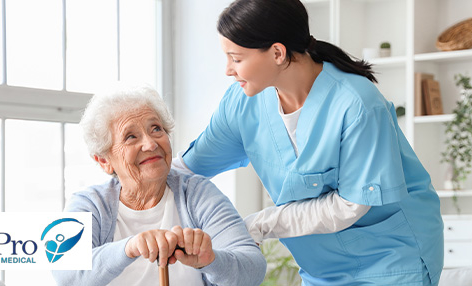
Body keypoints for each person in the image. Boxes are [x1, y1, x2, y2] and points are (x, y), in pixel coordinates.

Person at [174, 0, 445, 284]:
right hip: (321, 268)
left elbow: (349, 206)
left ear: (277, 53)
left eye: (237, 59)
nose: (228, 70)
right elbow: (188, 168)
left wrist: (258, 225)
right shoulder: (242, 104)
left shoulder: (357, 104)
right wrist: (126, 171)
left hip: (391, 260)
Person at [52, 83, 266, 286]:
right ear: (104, 161)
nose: (151, 143)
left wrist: (210, 260)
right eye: (131, 137)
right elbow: (65, 272)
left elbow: (253, 270)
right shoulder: (89, 203)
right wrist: (130, 247)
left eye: (156, 128)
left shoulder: (198, 193)